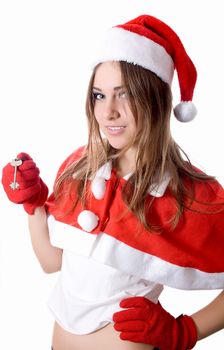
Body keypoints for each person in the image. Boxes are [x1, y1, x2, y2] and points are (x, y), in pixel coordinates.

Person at [1, 14, 224, 350]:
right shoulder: (80, 167)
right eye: (99, 96)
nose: (108, 113)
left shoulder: (189, 195)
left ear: (155, 99)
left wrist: (186, 332)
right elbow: (51, 262)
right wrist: (33, 204)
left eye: (124, 95)